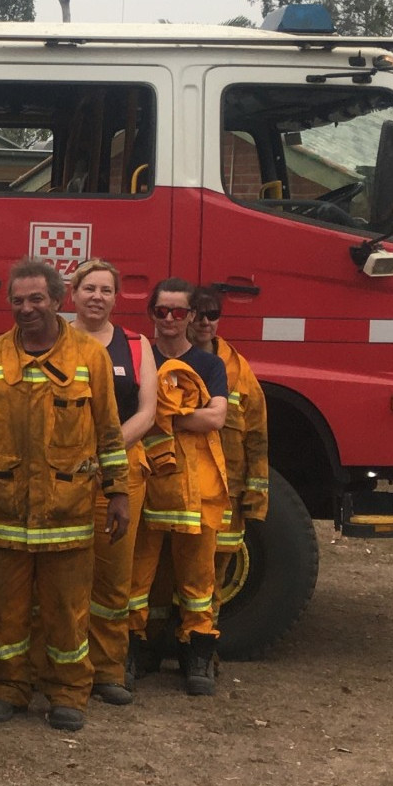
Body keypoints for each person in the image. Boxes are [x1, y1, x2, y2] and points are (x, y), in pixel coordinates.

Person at [0, 258, 128, 732]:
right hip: (7, 508)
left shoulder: (89, 356)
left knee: (67, 611)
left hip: (68, 511)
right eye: (18, 300)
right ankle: (6, 687)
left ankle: (68, 690)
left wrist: (119, 492)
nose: (26, 308)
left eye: (36, 299)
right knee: (6, 610)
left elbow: (109, 431)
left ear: (57, 300)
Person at [131, 278, 230, 697]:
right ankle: (133, 652)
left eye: (178, 312)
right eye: (161, 311)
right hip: (149, 482)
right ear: (152, 313)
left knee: (198, 579)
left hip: (197, 489)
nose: (169, 319)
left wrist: (162, 416)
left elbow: (217, 418)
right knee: (137, 578)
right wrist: (188, 411)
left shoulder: (210, 365)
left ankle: (198, 657)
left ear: (191, 317)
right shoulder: (140, 357)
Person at [67, 258, 157, 706]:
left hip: (120, 471)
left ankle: (108, 671)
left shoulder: (137, 346)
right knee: (64, 575)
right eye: (89, 289)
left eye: (105, 290)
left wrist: (105, 445)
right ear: (73, 295)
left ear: (116, 298)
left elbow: (147, 412)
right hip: (64, 473)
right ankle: (62, 668)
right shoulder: (57, 342)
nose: (97, 297)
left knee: (113, 578)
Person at [188, 287, 269, 596]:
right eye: (197, 314)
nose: (205, 322)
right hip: (180, 486)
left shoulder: (238, 369)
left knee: (215, 574)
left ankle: (206, 636)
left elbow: (257, 434)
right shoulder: (168, 360)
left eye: (213, 315)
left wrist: (255, 497)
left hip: (227, 492)